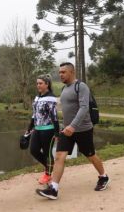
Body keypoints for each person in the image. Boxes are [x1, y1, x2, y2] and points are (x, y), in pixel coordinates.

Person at [38, 62, 110, 200]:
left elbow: (84, 108)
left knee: (91, 155)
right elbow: (65, 111)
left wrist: (73, 126)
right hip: (66, 130)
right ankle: (53, 188)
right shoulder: (64, 89)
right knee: (59, 156)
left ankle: (103, 177)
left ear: (72, 72)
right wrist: (61, 128)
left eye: (63, 72)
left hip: (83, 129)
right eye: (59, 72)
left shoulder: (81, 86)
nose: (60, 75)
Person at [26, 74, 59, 185]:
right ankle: (49, 166)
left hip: (48, 129)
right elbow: (34, 114)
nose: (38, 85)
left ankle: (48, 174)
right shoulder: (38, 97)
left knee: (47, 153)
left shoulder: (51, 98)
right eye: (37, 83)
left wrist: (57, 133)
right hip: (37, 129)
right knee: (33, 150)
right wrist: (29, 129)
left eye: (40, 83)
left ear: (47, 84)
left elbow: (54, 116)